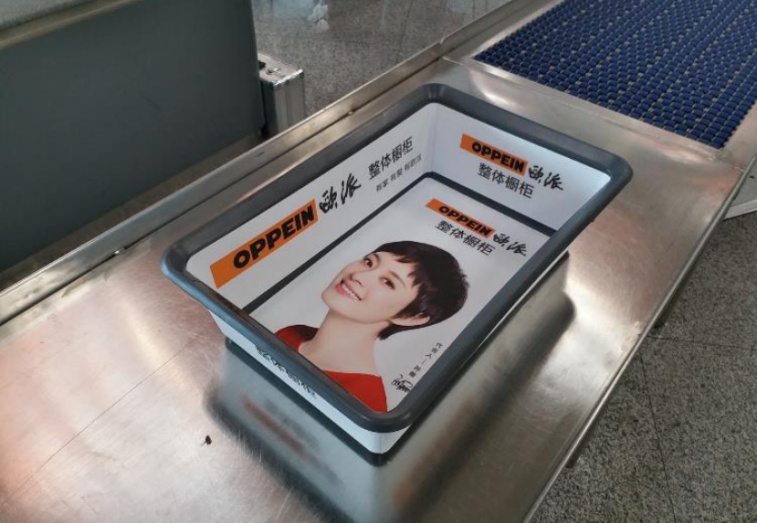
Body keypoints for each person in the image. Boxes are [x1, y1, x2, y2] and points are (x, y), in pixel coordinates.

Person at [276, 241, 468, 412]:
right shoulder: (291, 333)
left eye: (388, 282)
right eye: (369, 262)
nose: (359, 275)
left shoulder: (365, 401)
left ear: (412, 317)